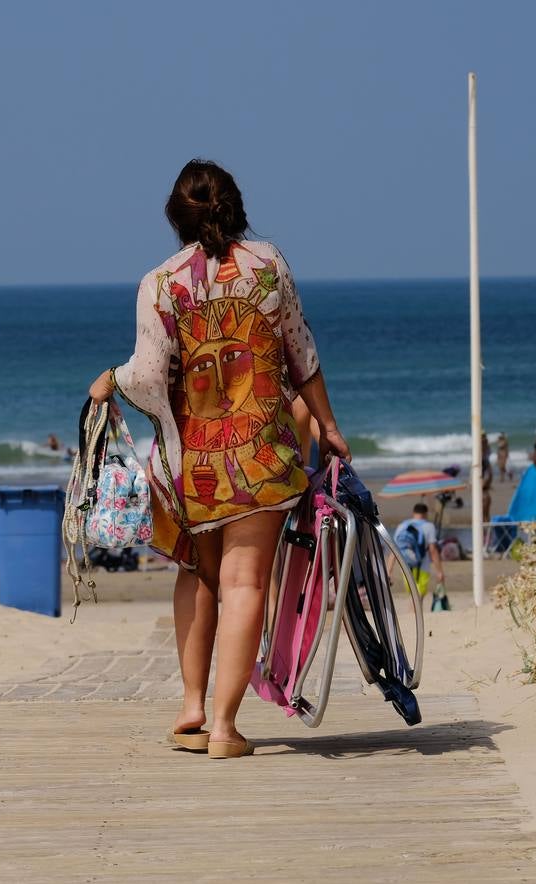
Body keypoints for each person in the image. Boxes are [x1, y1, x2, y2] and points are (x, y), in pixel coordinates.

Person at [89, 159, 349, 759]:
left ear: (176, 218)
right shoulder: (270, 265)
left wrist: (110, 379)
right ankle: (227, 730)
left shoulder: (159, 283)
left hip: (191, 462)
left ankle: (192, 707)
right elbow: (302, 354)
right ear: (235, 207)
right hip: (261, 455)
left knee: (198, 573)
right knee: (244, 581)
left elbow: (148, 376)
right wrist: (329, 428)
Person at [394, 503, 447, 611]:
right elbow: (433, 550)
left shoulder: (402, 526)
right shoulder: (429, 526)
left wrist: (389, 571)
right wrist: (439, 571)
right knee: (419, 596)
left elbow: (394, 550)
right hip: (423, 566)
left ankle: (414, 617)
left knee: (413, 596)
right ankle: (415, 618)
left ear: (413, 513)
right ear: (426, 514)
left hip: (405, 566)